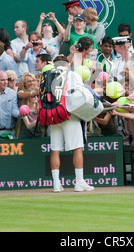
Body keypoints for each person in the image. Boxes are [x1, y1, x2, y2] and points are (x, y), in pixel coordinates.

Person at [48, 55, 94, 192]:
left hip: (53, 116)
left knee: (55, 150)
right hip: (70, 115)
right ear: (67, 64)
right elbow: (80, 95)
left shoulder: (48, 76)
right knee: (77, 148)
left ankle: (56, 184)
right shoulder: (73, 75)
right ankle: (79, 182)